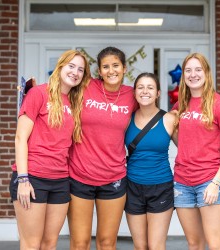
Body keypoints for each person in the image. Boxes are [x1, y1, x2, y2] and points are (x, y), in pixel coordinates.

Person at [9, 50, 91, 250]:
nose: (75, 72)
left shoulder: (74, 102)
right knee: (31, 244)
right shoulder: (38, 93)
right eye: (71, 66)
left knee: (49, 243)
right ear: (60, 66)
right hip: (32, 178)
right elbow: (20, 138)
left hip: (61, 181)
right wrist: (23, 179)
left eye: (80, 69)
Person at [67, 46, 138, 250]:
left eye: (116, 65)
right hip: (80, 174)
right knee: (79, 243)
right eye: (105, 66)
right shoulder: (85, 86)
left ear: (124, 68)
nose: (111, 70)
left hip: (113, 177)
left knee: (107, 243)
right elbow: (59, 89)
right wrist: (32, 90)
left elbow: (151, 113)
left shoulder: (132, 96)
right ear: (99, 70)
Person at [173, 53, 220, 250]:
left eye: (198, 69)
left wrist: (216, 183)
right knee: (194, 244)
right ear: (183, 75)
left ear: (207, 73)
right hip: (182, 183)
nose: (193, 74)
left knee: (216, 244)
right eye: (188, 70)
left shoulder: (219, 104)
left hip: (209, 181)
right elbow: (182, 141)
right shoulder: (179, 105)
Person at [124, 72, 177, 250]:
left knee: (155, 246)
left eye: (150, 87)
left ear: (158, 93)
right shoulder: (126, 119)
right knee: (140, 246)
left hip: (161, 187)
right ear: (134, 92)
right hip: (132, 186)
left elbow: (188, 149)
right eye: (140, 87)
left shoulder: (170, 119)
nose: (145, 91)